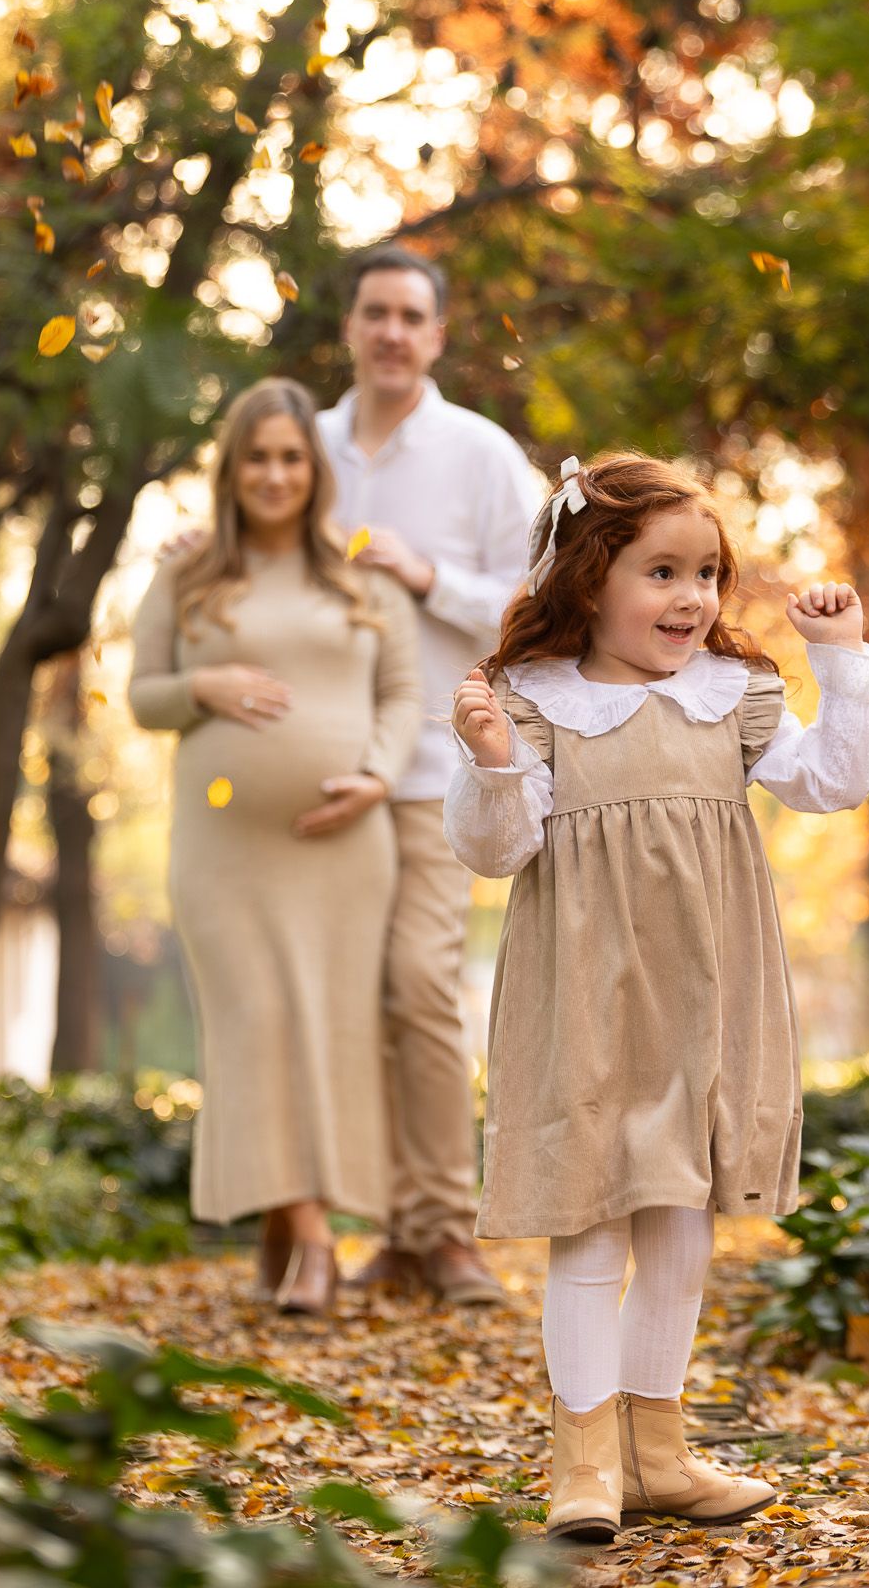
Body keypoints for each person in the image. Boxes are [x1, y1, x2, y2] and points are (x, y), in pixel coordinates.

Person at [444, 452, 869, 1542]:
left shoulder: (731, 693)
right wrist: (494, 757)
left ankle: (659, 1449)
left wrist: (837, 664)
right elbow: (497, 851)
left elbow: (833, 782)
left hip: (705, 995)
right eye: (662, 571)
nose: (693, 595)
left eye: (707, 572)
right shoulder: (535, 699)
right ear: (590, 577)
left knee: (683, 1227)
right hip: (587, 1000)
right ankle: (586, 1456)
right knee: (593, 1225)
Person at [128, 378, 422, 1316]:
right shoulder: (184, 572)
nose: (274, 473)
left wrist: (376, 773)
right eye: (256, 456)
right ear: (231, 467)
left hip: (344, 848)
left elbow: (403, 695)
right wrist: (203, 684)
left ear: (315, 469)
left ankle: (289, 1237)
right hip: (224, 850)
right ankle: (312, 1240)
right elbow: (142, 696)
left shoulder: (363, 573)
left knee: (329, 1033)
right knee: (255, 1027)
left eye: (291, 457)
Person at [315, 247, 538, 1306]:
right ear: (349, 326)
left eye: (412, 315)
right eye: (376, 312)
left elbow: (543, 604)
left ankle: (448, 1228)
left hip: (427, 769)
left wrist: (426, 574)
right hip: (319, 768)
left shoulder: (482, 454)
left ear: (438, 335)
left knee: (419, 986)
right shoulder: (304, 447)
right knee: (355, 1002)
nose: (393, 330)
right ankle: (393, 1227)